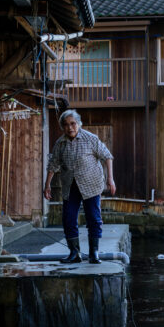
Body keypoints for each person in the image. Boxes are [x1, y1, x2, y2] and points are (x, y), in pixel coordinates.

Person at [43, 110, 115, 264]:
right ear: (63, 127)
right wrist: (47, 184)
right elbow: (53, 164)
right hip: (70, 185)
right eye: (66, 125)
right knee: (68, 218)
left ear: (79, 124)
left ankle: (94, 253)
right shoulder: (60, 143)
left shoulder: (90, 138)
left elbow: (107, 156)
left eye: (73, 123)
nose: (70, 127)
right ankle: (74, 253)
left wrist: (110, 178)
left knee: (93, 219)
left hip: (91, 184)